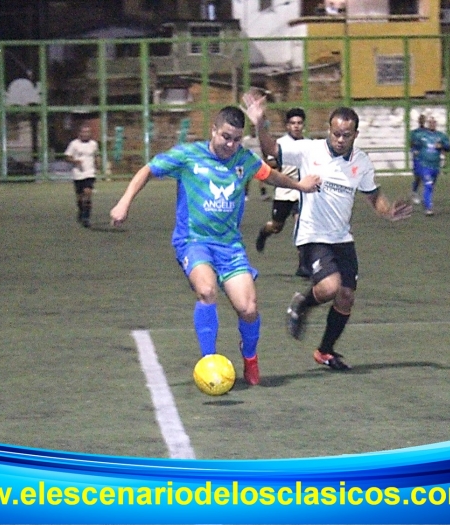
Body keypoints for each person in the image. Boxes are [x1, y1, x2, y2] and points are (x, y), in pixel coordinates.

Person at [109, 106, 321, 386]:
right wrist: (124, 202)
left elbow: (270, 175)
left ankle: (250, 357)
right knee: (207, 290)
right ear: (213, 130)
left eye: (236, 139)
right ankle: (209, 361)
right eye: (225, 137)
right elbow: (148, 170)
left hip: (229, 246)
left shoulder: (244, 160)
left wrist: (300, 186)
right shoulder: (188, 155)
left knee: (248, 308)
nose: (231, 145)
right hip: (193, 241)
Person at [242, 92, 412, 371]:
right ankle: (303, 303)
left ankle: (325, 351)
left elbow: (373, 196)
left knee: (346, 296)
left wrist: (388, 211)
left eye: (346, 135)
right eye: (336, 133)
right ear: (328, 130)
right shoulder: (310, 150)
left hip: (342, 238)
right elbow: (271, 150)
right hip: (312, 235)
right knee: (330, 287)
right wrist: (260, 123)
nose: (340, 139)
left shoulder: (361, 162)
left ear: (355, 134)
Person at [255, 107, 311, 277]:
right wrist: (275, 163)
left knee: (302, 225)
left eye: (299, 123)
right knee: (276, 226)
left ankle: (304, 265)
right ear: (287, 126)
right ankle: (265, 232)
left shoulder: (309, 144)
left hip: (301, 192)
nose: (296, 126)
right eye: (293, 123)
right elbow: (270, 165)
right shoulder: (279, 144)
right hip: (284, 192)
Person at [410, 116, 450, 216]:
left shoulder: (441, 136)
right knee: (428, 185)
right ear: (428, 124)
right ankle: (428, 208)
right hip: (425, 165)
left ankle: (425, 201)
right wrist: (415, 151)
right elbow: (414, 145)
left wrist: (442, 146)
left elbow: (448, 147)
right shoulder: (421, 135)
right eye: (430, 123)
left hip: (435, 166)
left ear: (436, 124)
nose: (432, 124)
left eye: (434, 122)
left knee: (431, 186)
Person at [65, 124, 100, 227]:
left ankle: (86, 217)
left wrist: (97, 164)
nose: (86, 134)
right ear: (79, 133)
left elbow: (96, 155)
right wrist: (75, 161)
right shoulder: (74, 144)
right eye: (84, 132)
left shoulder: (93, 144)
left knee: (88, 193)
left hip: (90, 173)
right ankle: (81, 211)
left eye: (88, 132)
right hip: (78, 174)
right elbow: (67, 157)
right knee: (80, 198)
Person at [409, 113, 428, 205]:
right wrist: (414, 151)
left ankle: (425, 195)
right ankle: (414, 192)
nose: (422, 121)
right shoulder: (414, 132)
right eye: (420, 119)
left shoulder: (428, 132)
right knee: (418, 176)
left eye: (423, 119)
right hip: (417, 157)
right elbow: (411, 144)